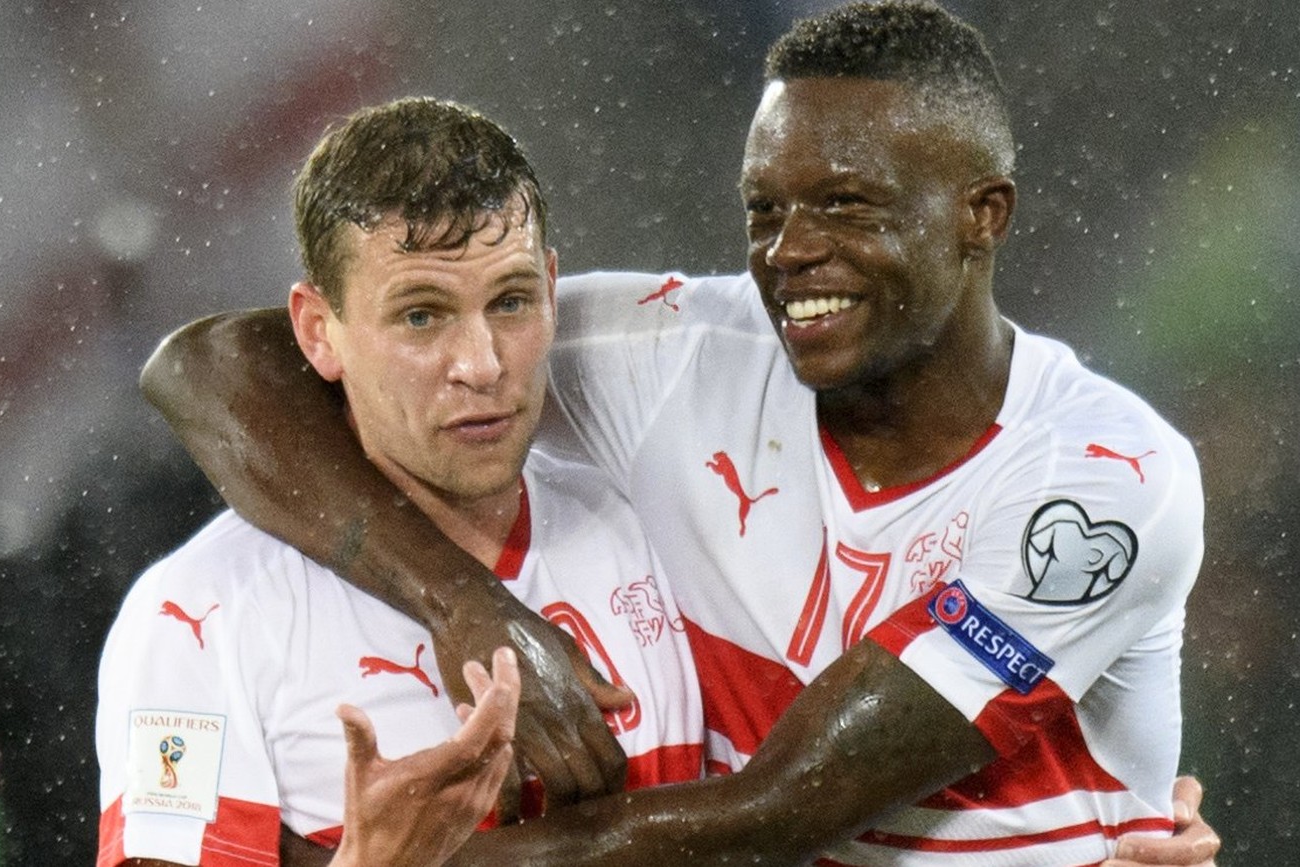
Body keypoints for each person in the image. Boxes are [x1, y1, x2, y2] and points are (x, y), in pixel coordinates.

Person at [141, 2, 1222, 864]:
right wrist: (466, 606)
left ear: (982, 215)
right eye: (766, 210)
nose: (791, 252)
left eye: (846, 206)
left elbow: (778, 814)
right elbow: (209, 367)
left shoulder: (1103, 485)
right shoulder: (682, 360)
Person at [95, 97, 705, 867]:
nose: (482, 364)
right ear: (319, 331)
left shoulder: (649, 524)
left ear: (553, 290)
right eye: (422, 315)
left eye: (511, 301)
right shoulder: (198, 616)